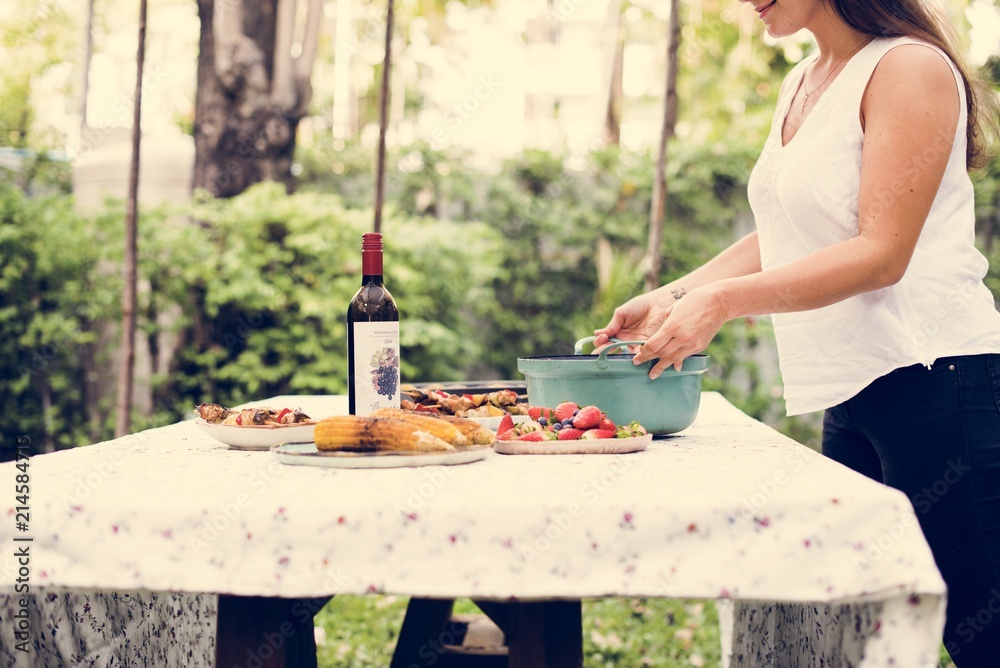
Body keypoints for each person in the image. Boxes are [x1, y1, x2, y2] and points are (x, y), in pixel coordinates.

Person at [593, 0, 1000, 664]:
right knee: (839, 637)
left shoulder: (909, 69)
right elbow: (785, 232)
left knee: (982, 632)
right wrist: (673, 296)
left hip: (940, 385)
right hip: (853, 393)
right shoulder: (806, 79)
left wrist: (721, 303)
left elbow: (880, 253)